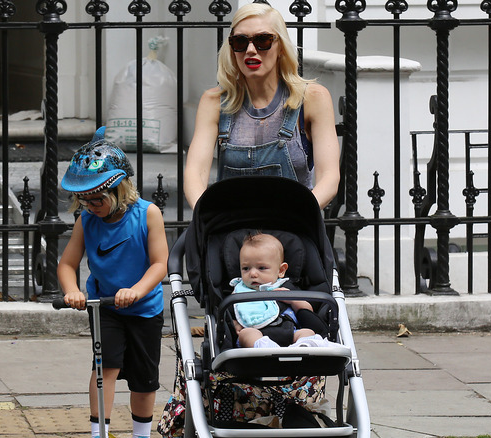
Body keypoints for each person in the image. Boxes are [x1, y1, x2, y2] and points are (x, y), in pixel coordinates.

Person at [58, 127, 169, 438]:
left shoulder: (148, 214)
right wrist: (73, 291)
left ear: (120, 188)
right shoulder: (87, 221)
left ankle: (141, 434)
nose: (91, 206)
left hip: (144, 309)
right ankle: (99, 433)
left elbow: (160, 264)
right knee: (104, 368)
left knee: (145, 379)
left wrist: (137, 291)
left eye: (97, 199)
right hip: (104, 306)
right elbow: (67, 264)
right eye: (85, 200)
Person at [184, 2, 340, 210]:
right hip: (231, 225)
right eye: (240, 42)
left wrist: (298, 216)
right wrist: (207, 216)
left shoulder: (312, 98)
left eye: (262, 40)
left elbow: (329, 178)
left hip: (294, 223)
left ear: (281, 47)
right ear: (231, 50)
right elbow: (195, 173)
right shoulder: (215, 102)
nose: (250, 50)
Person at [232, 232, 331, 348]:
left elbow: (307, 311)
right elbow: (229, 312)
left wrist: (293, 300)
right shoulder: (239, 292)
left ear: (281, 270)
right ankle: (265, 348)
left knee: (307, 332)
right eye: (246, 268)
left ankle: (302, 347)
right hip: (257, 334)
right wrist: (235, 323)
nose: (253, 273)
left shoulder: (286, 288)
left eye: (262, 268)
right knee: (246, 334)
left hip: (289, 332)